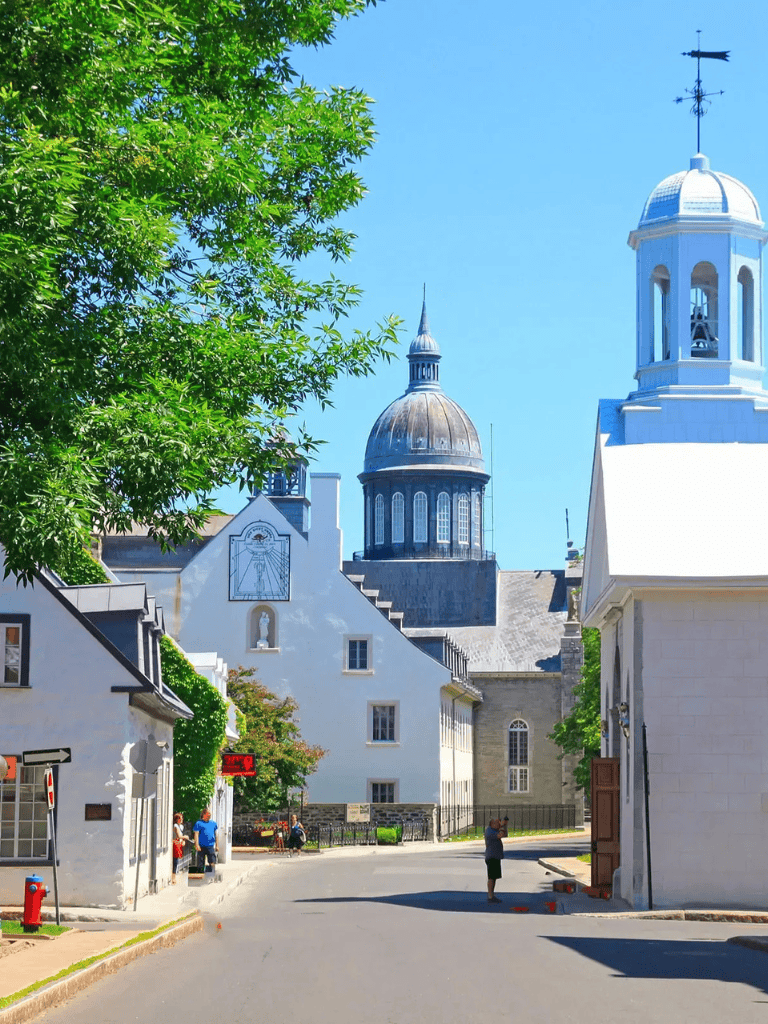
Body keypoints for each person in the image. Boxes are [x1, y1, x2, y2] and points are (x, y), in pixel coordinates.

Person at [484, 815, 508, 903]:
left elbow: (505, 835)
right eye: (497, 822)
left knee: (494, 877)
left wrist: (504, 825)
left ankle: (492, 895)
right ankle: (490, 896)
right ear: (492, 823)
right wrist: (502, 826)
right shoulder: (489, 831)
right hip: (491, 856)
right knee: (491, 877)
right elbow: (500, 835)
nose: (499, 824)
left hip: (495, 856)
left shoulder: (494, 830)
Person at [193, 807, 219, 872]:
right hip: (201, 846)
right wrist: (197, 845)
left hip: (210, 845)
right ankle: (201, 875)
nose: (210, 815)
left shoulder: (213, 823)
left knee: (212, 861)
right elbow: (196, 834)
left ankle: (211, 874)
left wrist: (217, 845)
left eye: (210, 814)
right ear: (204, 814)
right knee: (200, 862)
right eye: (208, 814)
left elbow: (216, 835)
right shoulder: (198, 823)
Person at [172, 812, 193, 884]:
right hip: (175, 844)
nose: (181, 820)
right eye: (180, 818)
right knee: (175, 861)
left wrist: (183, 840)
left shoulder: (181, 826)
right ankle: (173, 878)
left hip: (179, 844)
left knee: (177, 860)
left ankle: (174, 876)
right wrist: (185, 837)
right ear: (176, 819)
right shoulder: (175, 826)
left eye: (182, 818)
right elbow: (179, 836)